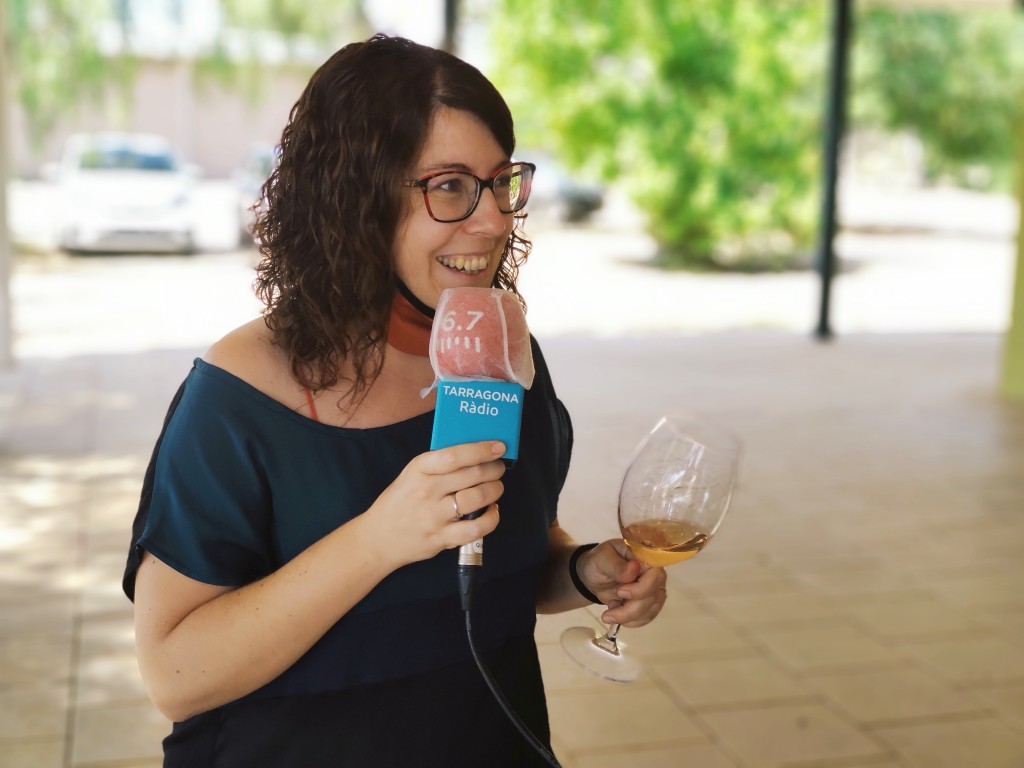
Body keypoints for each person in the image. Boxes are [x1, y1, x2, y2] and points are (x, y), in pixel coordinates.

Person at [123, 33, 667, 767]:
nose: (495, 219)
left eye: (500, 181)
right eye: (449, 186)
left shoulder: (504, 353)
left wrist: (580, 573)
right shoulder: (238, 398)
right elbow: (176, 678)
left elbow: (500, 563)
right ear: (354, 201)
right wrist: (378, 540)